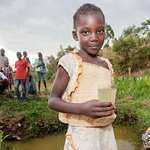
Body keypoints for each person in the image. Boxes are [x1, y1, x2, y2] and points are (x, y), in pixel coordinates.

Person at [48, 3, 117, 150]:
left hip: (106, 133)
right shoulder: (70, 62)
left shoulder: (106, 64)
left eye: (100, 31)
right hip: (82, 137)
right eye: (86, 32)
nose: (94, 38)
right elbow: (53, 101)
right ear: (75, 35)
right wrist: (83, 108)